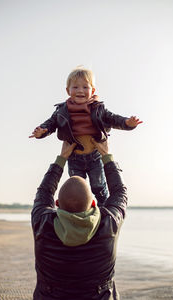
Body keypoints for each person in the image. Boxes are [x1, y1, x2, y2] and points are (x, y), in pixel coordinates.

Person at [29, 67, 142, 205]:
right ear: (68, 91)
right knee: (78, 188)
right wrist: (43, 131)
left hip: (95, 156)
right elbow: (51, 123)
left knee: (98, 186)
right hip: (74, 157)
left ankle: (103, 208)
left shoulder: (97, 108)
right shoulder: (63, 110)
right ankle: (81, 211)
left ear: (92, 91)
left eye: (85, 87)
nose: (80, 91)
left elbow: (113, 119)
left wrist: (128, 123)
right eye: (75, 87)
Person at [31, 139, 128, 300]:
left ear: (56, 204)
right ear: (93, 203)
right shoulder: (109, 223)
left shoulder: (42, 223)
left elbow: (43, 192)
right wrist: (106, 155)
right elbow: (120, 193)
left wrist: (62, 158)